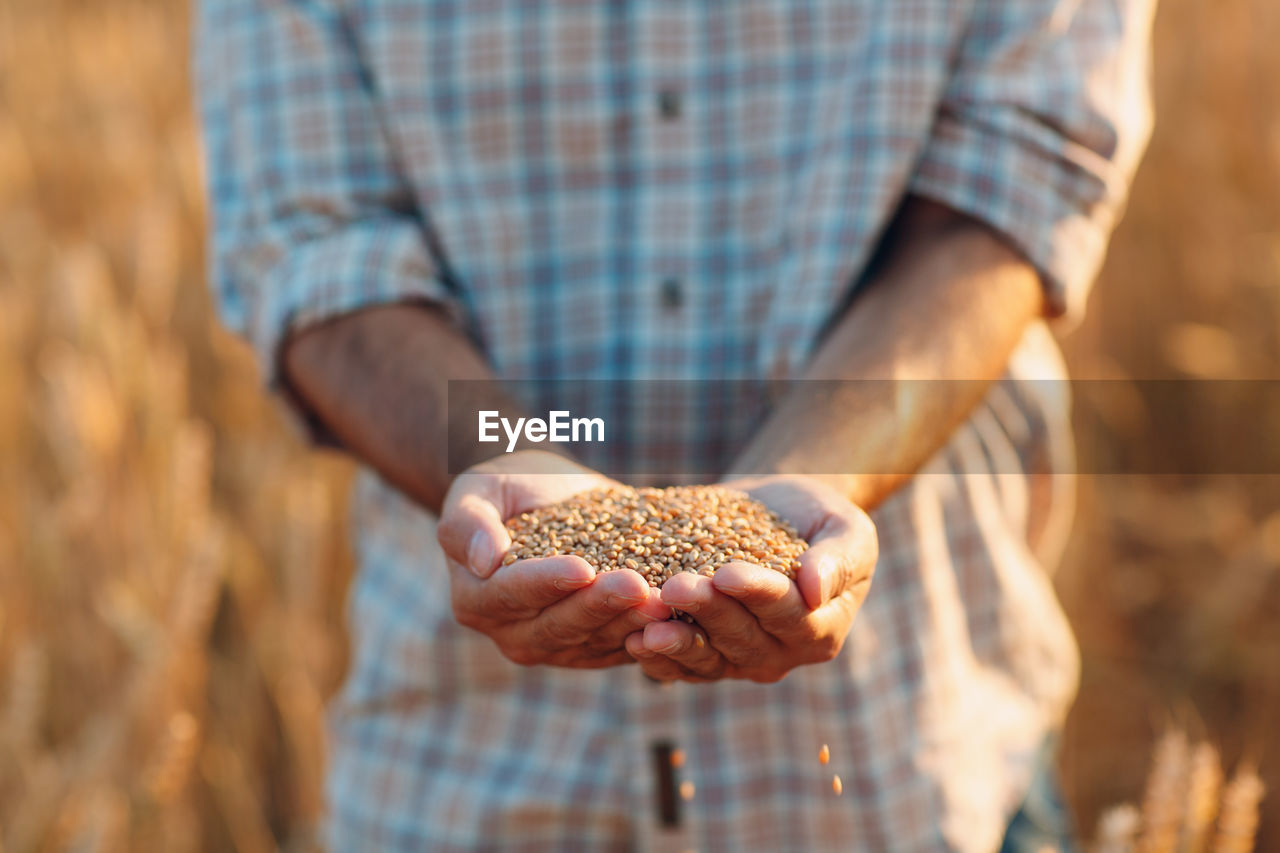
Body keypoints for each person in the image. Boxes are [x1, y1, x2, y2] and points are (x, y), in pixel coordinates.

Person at [197, 1, 1152, 849]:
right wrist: (505, 458)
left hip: (914, 764)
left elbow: (1004, 196)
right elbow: (322, 249)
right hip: (470, 774)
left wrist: (811, 477)